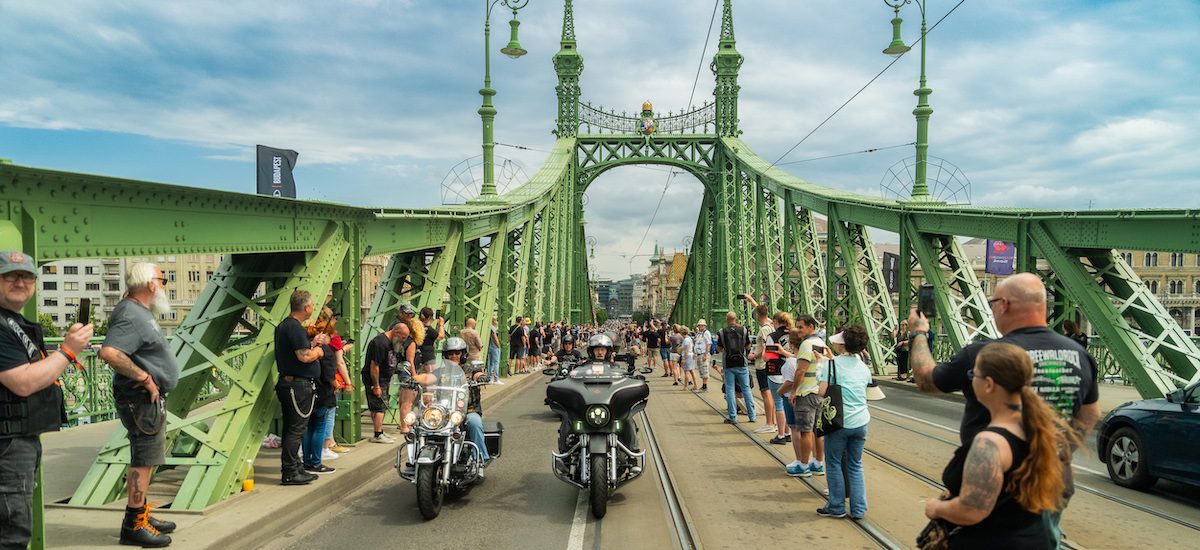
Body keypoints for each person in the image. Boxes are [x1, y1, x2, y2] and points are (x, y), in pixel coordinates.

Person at [908, 272, 1101, 547]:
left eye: (992, 301)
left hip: (996, 489)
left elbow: (927, 379)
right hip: (1051, 481)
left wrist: (918, 334)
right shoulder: (1080, 354)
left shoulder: (986, 355)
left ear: (1005, 304)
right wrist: (1056, 452)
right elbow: (1090, 413)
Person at [924, 343, 1076, 549]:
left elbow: (972, 510)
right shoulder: (1045, 430)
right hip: (1033, 539)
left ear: (989, 384)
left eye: (973, 374)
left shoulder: (990, 443)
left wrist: (937, 508)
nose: (970, 380)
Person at [0, 251, 93, 549]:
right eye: (9, 275)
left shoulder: (13, 322)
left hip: (18, 438)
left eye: (27, 276)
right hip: (7, 444)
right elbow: (23, 382)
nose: (20, 281)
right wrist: (68, 351)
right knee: (11, 533)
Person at [97, 262, 182, 546]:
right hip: (140, 399)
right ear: (151, 283)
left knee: (148, 457)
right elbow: (110, 353)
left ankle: (142, 512)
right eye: (163, 279)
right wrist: (144, 376)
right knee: (144, 459)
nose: (165, 284)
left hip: (146, 400)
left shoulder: (136, 310)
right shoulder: (131, 314)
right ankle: (134, 524)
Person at [816, 326, 873, 520]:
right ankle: (858, 510)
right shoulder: (864, 367)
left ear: (843, 344)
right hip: (861, 421)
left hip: (840, 421)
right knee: (855, 465)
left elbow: (822, 392)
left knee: (832, 463)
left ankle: (837, 506)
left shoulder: (832, 365)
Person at [273, 290, 328, 486]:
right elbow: (304, 356)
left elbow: (299, 350)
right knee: (296, 430)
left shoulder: (285, 326)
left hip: (290, 384)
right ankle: (290, 472)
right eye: (312, 305)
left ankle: (295, 467)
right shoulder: (295, 327)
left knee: (292, 428)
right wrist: (319, 351)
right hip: (298, 386)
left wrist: (312, 343)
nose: (313, 308)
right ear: (306, 308)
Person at [782, 314, 826, 476]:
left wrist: (794, 391)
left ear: (811, 327)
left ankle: (803, 465)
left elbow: (801, 370)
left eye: (801, 327)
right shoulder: (820, 342)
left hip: (806, 393)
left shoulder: (806, 345)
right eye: (797, 327)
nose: (798, 330)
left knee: (805, 431)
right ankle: (818, 463)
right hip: (818, 392)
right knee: (817, 431)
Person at [439, 337, 491, 465]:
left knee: (474, 423)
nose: (454, 356)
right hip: (445, 412)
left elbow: (478, 374)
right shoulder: (440, 372)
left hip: (468, 410)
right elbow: (428, 379)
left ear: (463, 354)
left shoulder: (470, 369)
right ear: (445, 355)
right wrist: (415, 380)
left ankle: (479, 458)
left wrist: (482, 377)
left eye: (457, 353)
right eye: (450, 353)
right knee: (422, 426)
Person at [301, 310, 338, 475]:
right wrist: (336, 384)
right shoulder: (326, 351)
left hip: (308, 391)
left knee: (308, 427)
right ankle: (316, 462)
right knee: (320, 426)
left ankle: (307, 462)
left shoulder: (310, 347)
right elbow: (330, 376)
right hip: (323, 393)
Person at [363, 320, 408, 443]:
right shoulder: (380, 343)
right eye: (402, 337)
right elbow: (374, 365)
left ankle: (379, 431)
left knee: (379, 405)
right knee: (379, 407)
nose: (403, 340)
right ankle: (378, 434)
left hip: (384, 378)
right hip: (376, 379)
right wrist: (376, 385)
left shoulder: (391, 342)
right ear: (396, 332)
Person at [716, 311, 755, 424]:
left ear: (727, 319)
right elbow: (748, 345)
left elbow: (719, 349)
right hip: (742, 363)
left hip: (728, 364)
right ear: (735, 318)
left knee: (730, 389)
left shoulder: (722, 332)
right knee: (746, 389)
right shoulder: (743, 330)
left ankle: (733, 417)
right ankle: (752, 416)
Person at [746, 302, 778, 435]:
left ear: (758, 315)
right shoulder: (771, 325)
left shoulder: (764, 329)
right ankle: (773, 423)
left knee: (766, 393)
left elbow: (766, 347)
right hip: (770, 364)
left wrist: (754, 356)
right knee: (770, 393)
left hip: (762, 364)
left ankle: (769, 423)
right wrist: (751, 300)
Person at [764, 312, 794, 445]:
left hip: (776, 372)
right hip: (792, 371)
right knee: (787, 403)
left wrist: (761, 356)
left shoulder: (773, 336)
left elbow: (769, 356)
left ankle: (781, 435)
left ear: (776, 321)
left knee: (778, 404)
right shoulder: (794, 334)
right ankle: (788, 433)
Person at [694, 319, 713, 392]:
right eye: (699, 325)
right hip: (699, 354)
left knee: (705, 370)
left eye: (702, 325)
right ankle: (703, 386)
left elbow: (709, 344)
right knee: (701, 370)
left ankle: (705, 387)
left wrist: (705, 354)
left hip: (703, 354)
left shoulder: (706, 333)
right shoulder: (698, 333)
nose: (700, 327)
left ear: (704, 326)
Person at [680, 326, 698, 390]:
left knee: (686, 372)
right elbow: (692, 346)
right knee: (692, 371)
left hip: (687, 357)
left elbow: (686, 350)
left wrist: (683, 358)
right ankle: (695, 385)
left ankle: (685, 386)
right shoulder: (690, 338)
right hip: (691, 355)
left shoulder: (686, 340)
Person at [486, 316, 503, 384]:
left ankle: (489, 378)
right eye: (496, 320)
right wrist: (498, 346)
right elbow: (494, 337)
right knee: (496, 363)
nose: (497, 322)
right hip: (494, 347)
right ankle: (496, 379)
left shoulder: (488, 327)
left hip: (489, 347)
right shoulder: (493, 328)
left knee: (490, 363)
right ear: (493, 321)